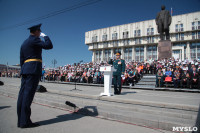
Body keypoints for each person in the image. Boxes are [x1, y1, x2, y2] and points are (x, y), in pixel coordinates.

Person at [17, 24, 53, 128]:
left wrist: (23, 70)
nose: (40, 32)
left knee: (22, 96)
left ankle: (20, 121)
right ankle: (25, 122)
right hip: (33, 70)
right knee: (28, 96)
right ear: (37, 31)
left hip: (25, 70)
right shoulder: (34, 39)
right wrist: (45, 36)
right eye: (40, 31)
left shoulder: (24, 43)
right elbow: (49, 46)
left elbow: (21, 59)